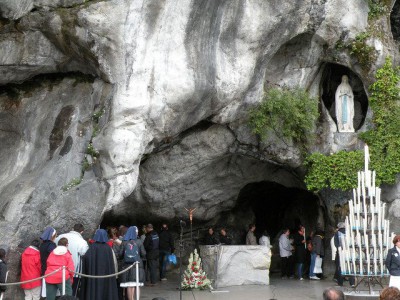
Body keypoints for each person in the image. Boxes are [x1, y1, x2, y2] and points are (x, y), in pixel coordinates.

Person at [79, 229, 119, 300]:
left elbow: (86, 259)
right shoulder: (108, 248)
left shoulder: (92, 247)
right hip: (107, 275)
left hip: (94, 275)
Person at [55, 224, 89, 296]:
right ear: (82, 232)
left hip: (58, 269)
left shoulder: (60, 237)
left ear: (72, 228)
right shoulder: (82, 242)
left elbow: (54, 245)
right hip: (73, 271)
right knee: (72, 292)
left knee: (60, 291)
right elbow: (84, 254)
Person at [119, 226, 146, 300]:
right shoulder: (139, 241)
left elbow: (120, 254)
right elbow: (143, 253)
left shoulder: (124, 242)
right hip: (137, 265)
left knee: (129, 285)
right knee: (137, 285)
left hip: (127, 266)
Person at [334, 222, 355, 287]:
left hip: (341, 252)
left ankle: (340, 283)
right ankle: (352, 283)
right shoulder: (349, 233)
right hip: (349, 252)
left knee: (340, 267)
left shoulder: (337, 233)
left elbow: (336, 243)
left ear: (338, 227)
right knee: (351, 267)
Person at [39, 226, 57, 298]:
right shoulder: (51, 245)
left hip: (44, 267)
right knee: (50, 291)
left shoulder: (42, 244)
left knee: (45, 290)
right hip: (50, 269)